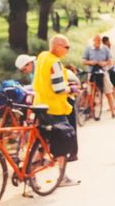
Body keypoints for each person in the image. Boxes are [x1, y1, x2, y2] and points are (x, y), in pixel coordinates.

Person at [32, 34, 80, 187]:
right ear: (56, 46)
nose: (68, 50)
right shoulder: (55, 63)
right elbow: (59, 89)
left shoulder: (42, 57)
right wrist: (71, 88)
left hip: (40, 105)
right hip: (55, 108)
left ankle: (29, 173)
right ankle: (62, 178)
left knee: (41, 140)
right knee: (62, 142)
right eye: (66, 47)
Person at [82, 34, 115, 118]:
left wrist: (104, 63)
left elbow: (111, 60)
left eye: (99, 40)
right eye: (96, 40)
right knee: (90, 92)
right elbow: (83, 60)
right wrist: (91, 62)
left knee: (108, 91)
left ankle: (113, 112)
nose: (98, 42)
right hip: (92, 72)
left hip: (103, 72)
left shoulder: (105, 49)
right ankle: (89, 112)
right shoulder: (89, 49)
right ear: (93, 41)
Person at [102, 36, 115, 112]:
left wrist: (112, 66)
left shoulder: (114, 47)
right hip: (106, 70)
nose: (106, 44)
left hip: (114, 70)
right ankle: (112, 105)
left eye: (107, 43)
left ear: (109, 41)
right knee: (109, 89)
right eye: (105, 44)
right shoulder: (103, 49)